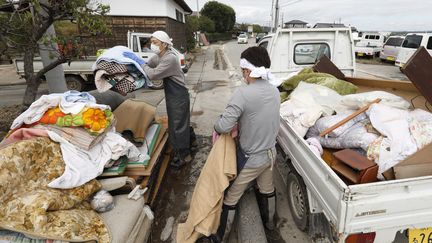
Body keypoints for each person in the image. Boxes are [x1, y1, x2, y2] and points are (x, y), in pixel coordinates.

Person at [211, 46, 280, 242]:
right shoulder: (274, 90)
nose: (243, 75)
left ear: (248, 71)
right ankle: (270, 224)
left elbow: (223, 126)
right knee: (267, 189)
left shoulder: (243, 94)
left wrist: (218, 122)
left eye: (243, 71)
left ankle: (220, 237)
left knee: (231, 196)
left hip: (251, 159)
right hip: (270, 154)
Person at [123, 31, 194, 168]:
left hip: (179, 95)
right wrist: (135, 65)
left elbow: (153, 74)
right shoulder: (158, 56)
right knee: (179, 123)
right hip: (173, 94)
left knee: (177, 126)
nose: (152, 45)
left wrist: (139, 63)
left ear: (164, 44)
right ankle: (192, 142)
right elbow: (147, 66)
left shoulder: (170, 58)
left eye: (155, 42)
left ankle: (184, 156)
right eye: (151, 42)